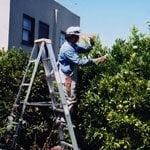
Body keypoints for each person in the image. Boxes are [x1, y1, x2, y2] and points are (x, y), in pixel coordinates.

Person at [58, 26, 107, 111]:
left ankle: (64, 121)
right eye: (76, 36)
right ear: (71, 36)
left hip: (70, 74)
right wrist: (97, 60)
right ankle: (64, 122)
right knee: (69, 100)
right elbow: (79, 62)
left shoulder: (73, 45)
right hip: (67, 77)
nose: (78, 38)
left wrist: (92, 42)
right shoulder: (67, 48)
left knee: (70, 99)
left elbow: (85, 49)